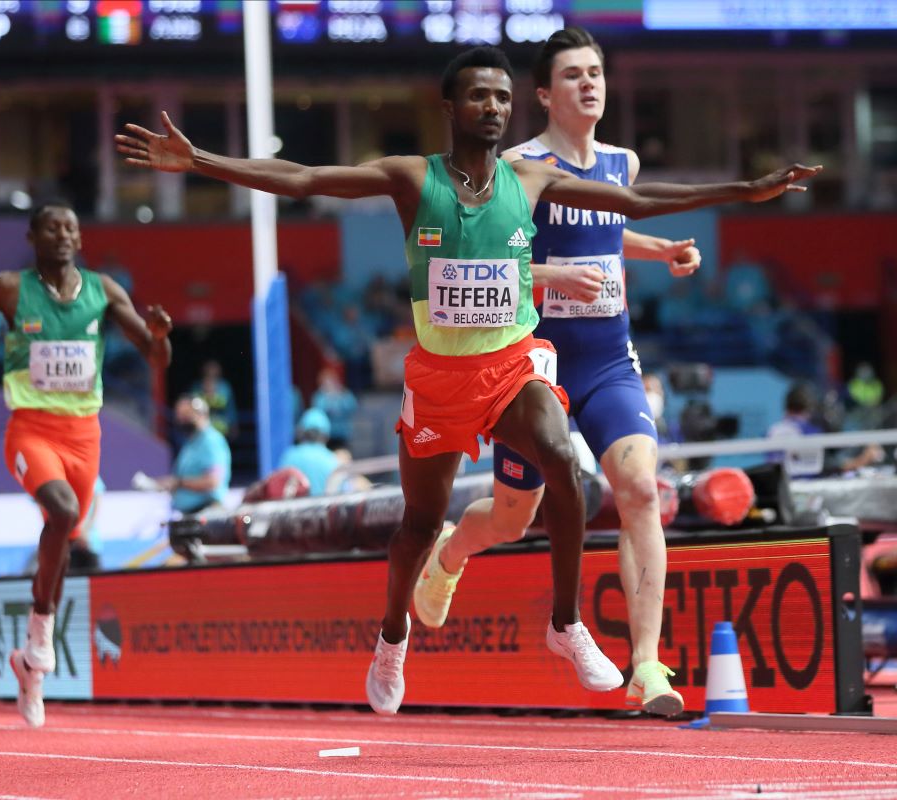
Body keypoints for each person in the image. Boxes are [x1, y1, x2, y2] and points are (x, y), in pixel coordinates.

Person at [117, 46, 816, 714]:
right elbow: (302, 178)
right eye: (478, 94)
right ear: (449, 105)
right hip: (439, 379)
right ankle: (392, 637)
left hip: (510, 367)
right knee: (418, 525)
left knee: (566, 468)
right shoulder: (410, 178)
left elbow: (632, 203)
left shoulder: (533, 180)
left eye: (502, 96)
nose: (492, 105)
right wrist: (201, 160)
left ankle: (566, 624)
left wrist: (745, 191)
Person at [413, 28, 705, 717]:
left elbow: (602, 232)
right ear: (543, 94)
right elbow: (474, 263)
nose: (589, 84)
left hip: (607, 358)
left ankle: (646, 666)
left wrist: (658, 250)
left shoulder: (621, 163)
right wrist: (549, 275)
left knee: (637, 488)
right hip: (531, 366)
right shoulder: (514, 165)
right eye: (573, 75)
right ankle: (451, 553)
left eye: (596, 73)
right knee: (514, 519)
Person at [0, 201, 172, 729]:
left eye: (71, 226)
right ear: (32, 235)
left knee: (63, 539)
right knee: (61, 512)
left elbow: (155, 356)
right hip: (31, 430)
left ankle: (30, 660)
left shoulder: (104, 291)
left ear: (80, 238)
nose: (62, 234)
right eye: (51, 227)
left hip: (86, 437)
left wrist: (158, 338)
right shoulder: (9, 289)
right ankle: (42, 637)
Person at [152, 395, 232, 515]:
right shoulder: (191, 443)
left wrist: (178, 483)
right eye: (179, 415)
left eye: (186, 415)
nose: (180, 419)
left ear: (201, 414)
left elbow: (213, 481)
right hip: (189, 515)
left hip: (207, 514)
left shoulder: (211, 441)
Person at [279, 408, 341, 497]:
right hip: (323, 510)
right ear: (326, 435)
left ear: (301, 432)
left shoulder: (289, 456)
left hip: (295, 510)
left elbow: (278, 489)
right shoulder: (332, 461)